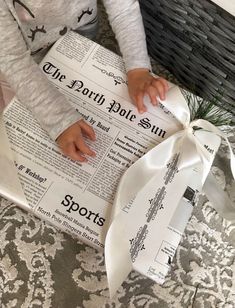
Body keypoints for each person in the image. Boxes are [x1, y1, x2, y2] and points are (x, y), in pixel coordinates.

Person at [0, 0, 168, 162]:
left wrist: (137, 68)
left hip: (82, 43)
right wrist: (59, 121)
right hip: (28, 57)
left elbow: (123, 10)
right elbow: (13, 59)